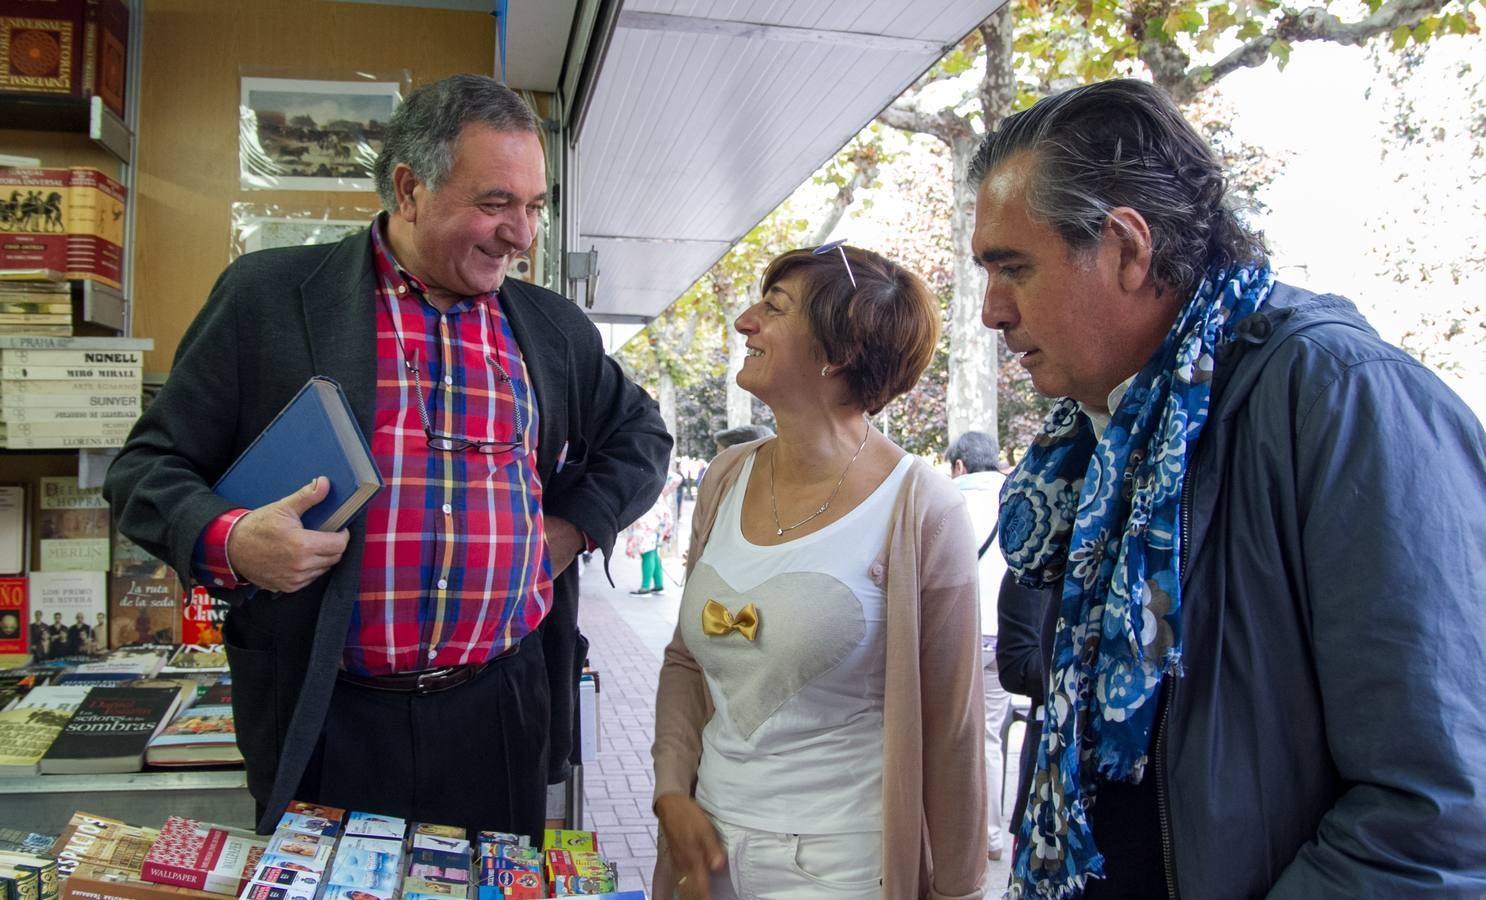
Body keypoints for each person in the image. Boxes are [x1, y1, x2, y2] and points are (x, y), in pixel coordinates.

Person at [105, 74, 672, 838]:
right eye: (496, 203)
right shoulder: (268, 298)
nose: (523, 235)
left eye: (535, 206)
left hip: (498, 711)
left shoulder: (551, 327)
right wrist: (234, 540)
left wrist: (569, 530)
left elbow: (641, 436)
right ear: (408, 188)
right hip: (328, 712)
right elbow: (147, 470)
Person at [971, 78, 1486, 898]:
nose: (993, 311)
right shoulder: (1101, 436)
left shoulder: (1341, 399)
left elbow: (1438, 809)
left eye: (1013, 268)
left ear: (1128, 250)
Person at [651, 245, 986, 900]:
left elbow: (952, 731)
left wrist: (960, 891)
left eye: (773, 308)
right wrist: (671, 793)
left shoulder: (921, 509)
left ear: (841, 352)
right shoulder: (726, 478)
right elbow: (687, 662)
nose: (745, 320)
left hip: (844, 866)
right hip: (709, 848)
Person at [944, 429, 1009, 862]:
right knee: (989, 737)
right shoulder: (1018, 494)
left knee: (949, 735)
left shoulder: (947, 500)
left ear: (960, 466)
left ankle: (954, 836)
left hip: (957, 633)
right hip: (1005, 636)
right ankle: (990, 836)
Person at [624, 471, 680, 595]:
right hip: (656, 521)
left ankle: (645, 587)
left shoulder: (651, 484)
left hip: (648, 521)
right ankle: (659, 584)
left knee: (647, 552)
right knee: (653, 552)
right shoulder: (658, 489)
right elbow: (676, 478)